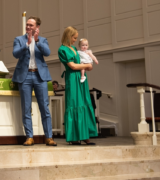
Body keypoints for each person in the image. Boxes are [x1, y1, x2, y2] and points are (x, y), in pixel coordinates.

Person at [12, 16, 56, 147]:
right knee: (26, 108)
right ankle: (29, 137)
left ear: (37, 27)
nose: (28, 27)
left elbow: (47, 52)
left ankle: (49, 137)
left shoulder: (43, 40)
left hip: (39, 76)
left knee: (44, 108)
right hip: (24, 77)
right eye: (27, 25)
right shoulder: (19, 39)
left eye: (31, 25)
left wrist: (36, 41)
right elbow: (15, 54)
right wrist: (27, 44)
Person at [58, 26, 97, 145]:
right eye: (74, 37)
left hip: (80, 79)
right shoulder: (62, 49)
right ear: (68, 36)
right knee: (74, 104)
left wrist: (87, 65)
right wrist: (87, 66)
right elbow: (73, 66)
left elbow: (81, 62)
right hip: (72, 78)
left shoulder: (74, 48)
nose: (75, 40)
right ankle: (74, 136)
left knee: (84, 102)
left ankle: (85, 135)